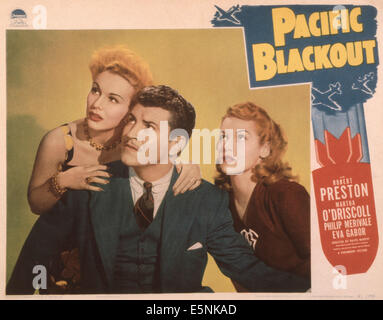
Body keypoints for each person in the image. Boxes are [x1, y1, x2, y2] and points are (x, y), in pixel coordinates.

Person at [7, 85, 310, 294]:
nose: (131, 133)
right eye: (131, 120)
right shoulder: (87, 184)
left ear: (176, 143)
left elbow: (247, 269)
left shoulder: (207, 201)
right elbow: (35, 256)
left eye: (148, 127)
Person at [27, 46, 201, 216]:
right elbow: (35, 205)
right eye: (95, 90)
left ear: (132, 109)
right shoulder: (59, 141)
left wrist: (188, 166)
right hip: (60, 237)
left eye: (113, 99)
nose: (96, 105)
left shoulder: (134, 142)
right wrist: (63, 180)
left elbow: (162, 162)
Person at [215, 102, 311, 291]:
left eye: (241, 137)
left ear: (265, 149)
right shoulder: (219, 204)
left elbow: (330, 264)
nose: (226, 145)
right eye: (223, 136)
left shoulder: (286, 195)